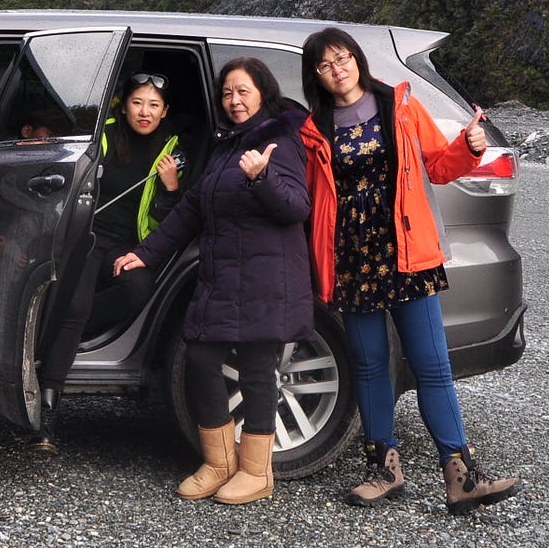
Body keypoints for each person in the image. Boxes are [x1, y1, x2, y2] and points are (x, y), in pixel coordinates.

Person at [301, 25, 519, 515]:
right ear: (315, 75)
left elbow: (439, 166)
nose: (336, 70)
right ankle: (384, 469)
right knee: (371, 366)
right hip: (353, 260)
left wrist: (470, 145)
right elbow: (311, 199)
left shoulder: (398, 105)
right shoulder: (313, 129)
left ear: (357, 59)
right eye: (324, 65)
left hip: (406, 252)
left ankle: (461, 475)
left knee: (432, 367)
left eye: (342, 58)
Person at [114, 57, 313, 505]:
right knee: (202, 359)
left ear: (262, 92)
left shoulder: (279, 140)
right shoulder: (226, 145)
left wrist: (261, 178)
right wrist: (145, 254)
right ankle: (219, 463)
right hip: (223, 273)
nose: (233, 100)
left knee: (258, 370)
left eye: (242, 91)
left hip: (266, 276)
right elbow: (191, 212)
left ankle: (257, 472)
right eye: (226, 92)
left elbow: (296, 208)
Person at [32, 73, 187, 452]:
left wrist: (171, 187)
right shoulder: (102, 135)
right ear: (123, 105)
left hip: (128, 245)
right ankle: (46, 411)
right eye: (137, 102)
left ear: (165, 111)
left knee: (137, 290)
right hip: (85, 238)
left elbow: (173, 219)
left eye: (153, 105)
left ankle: (51, 327)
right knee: (76, 305)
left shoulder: (174, 150)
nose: (145, 112)